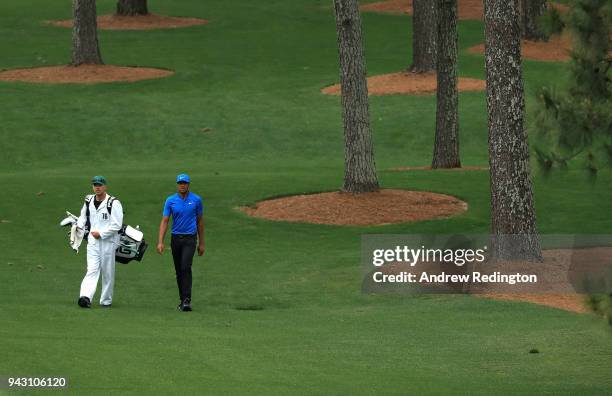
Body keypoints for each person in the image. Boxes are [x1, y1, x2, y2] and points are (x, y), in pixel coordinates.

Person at [157, 173, 205, 311]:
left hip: (190, 238)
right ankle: (182, 300)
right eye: (180, 183)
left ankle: (187, 300)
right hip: (176, 239)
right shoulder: (170, 200)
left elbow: (200, 222)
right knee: (179, 270)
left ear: (189, 184)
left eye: (184, 183)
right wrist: (160, 241)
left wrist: (201, 243)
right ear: (177, 185)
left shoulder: (196, 200)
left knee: (185, 267)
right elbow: (165, 221)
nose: (182, 185)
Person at [76, 176, 124, 308]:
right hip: (93, 242)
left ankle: (106, 300)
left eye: (100, 185)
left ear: (105, 186)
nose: (97, 187)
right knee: (91, 269)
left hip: (108, 242)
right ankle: (85, 297)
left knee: (107, 272)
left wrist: (101, 234)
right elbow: (83, 216)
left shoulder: (114, 203)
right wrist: (78, 228)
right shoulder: (88, 200)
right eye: (95, 185)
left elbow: (117, 225)